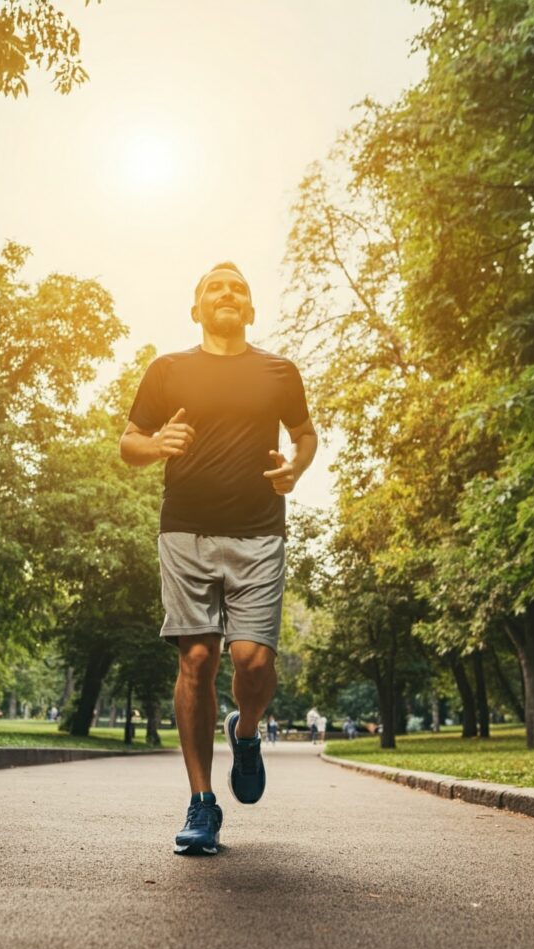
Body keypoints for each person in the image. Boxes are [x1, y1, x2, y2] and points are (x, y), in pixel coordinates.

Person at [120, 261, 317, 855]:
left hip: (259, 534)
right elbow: (128, 442)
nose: (227, 294)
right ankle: (202, 803)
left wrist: (297, 465)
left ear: (251, 310)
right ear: (196, 308)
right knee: (199, 658)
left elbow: (305, 432)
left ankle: (247, 731)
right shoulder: (168, 369)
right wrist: (156, 445)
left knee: (252, 662)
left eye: (238, 288)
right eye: (214, 288)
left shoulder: (279, 371)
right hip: (185, 533)